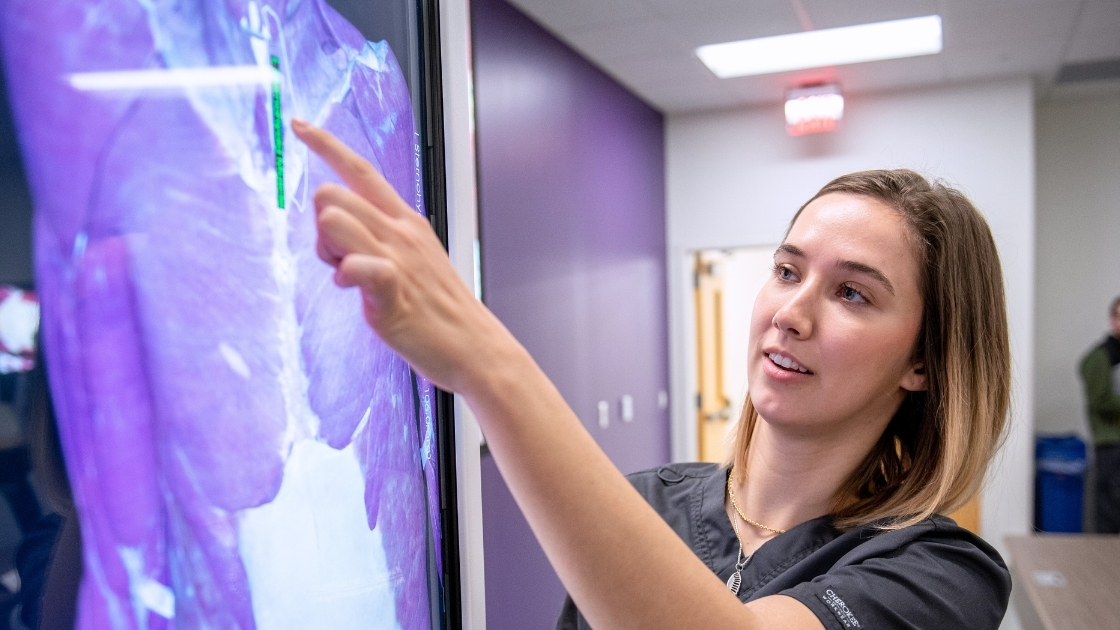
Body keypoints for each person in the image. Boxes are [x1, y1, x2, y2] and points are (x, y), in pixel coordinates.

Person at [291, 118, 1012, 630]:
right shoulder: (646, 508)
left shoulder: (939, 572)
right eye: (788, 271)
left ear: (923, 361)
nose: (791, 312)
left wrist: (489, 364)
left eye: (852, 293)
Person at [1079, 297, 1120, 534]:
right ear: (1112, 320)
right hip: (1111, 445)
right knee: (1109, 513)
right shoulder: (1100, 357)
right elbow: (1100, 400)